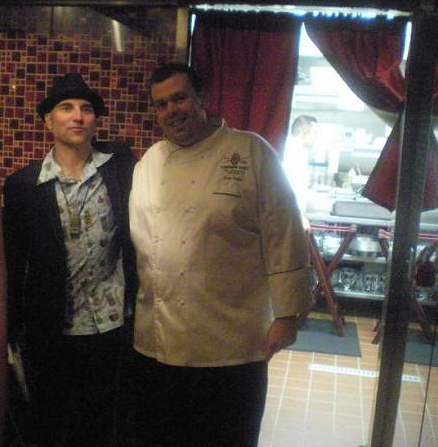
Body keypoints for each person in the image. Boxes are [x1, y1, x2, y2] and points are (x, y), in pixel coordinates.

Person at [128, 62, 314, 447]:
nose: (171, 110)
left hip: (232, 344)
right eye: (161, 104)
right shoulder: (148, 163)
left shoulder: (250, 152)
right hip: (158, 340)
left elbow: (284, 234)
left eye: (179, 98)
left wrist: (287, 315)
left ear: (202, 97)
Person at [3, 73, 138, 446]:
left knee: (100, 424)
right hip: (51, 330)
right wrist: (9, 331)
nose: (77, 116)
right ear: (48, 120)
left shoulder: (121, 168)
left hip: (111, 325)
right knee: (49, 423)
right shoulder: (23, 186)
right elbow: (13, 263)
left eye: (86, 108)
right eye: (66, 108)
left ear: (95, 120)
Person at [282, 114, 319, 227]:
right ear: (303, 133)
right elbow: (290, 188)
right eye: (314, 133)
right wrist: (299, 216)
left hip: (291, 215)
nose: (316, 137)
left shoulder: (298, 150)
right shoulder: (293, 152)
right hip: (289, 216)